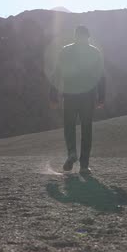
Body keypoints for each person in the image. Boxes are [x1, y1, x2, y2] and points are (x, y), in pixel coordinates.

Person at [50, 25, 106, 174]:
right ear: (88, 36)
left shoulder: (65, 50)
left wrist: (53, 96)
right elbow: (101, 77)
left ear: (75, 36)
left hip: (70, 96)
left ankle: (71, 153)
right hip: (88, 97)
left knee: (69, 126)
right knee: (86, 129)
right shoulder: (95, 52)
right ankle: (84, 165)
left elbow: (57, 74)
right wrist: (101, 97)